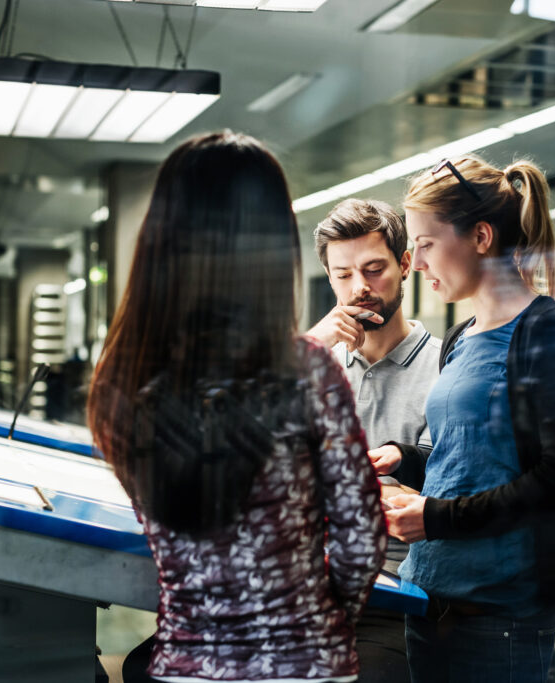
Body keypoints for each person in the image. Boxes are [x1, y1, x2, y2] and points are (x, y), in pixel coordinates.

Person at [87, 131, 386, 683]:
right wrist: (314, 623)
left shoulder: (121, 381)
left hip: (188, 663)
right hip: (306, 665)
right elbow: (361, 538)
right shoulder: (309, 372)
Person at [381, 156, 555, 683]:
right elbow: (474, 456)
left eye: (426, 244)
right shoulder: (462, 334)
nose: (414, 262)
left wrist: (437, 518)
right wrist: (407, 460)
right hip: (431, 601)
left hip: (499, 618)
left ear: (481, 236)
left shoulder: (547, 332)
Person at [306, 199, 441, 683]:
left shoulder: (447, 371)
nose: (358, 287)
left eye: (373, 269)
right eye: (343, 275)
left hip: (389, 594)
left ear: (406, 265)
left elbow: (432, 496)